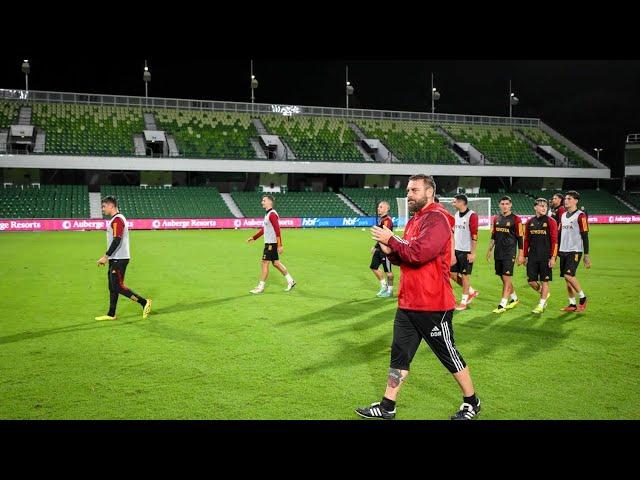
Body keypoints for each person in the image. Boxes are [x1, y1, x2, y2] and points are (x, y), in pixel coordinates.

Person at [355, 174, 481, 420]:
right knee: (399, 356)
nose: (409, 194)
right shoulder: (415, 220)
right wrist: (389, 250)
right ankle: (387, 405)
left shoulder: (439, 219)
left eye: (414, 190)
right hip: (408, 302)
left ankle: (472, 402)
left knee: (448, 354)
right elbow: (405, 256)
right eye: (408, 190)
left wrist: (392, 239)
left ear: (430, 192)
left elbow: (420, 253)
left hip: (433, 303)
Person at [95, 196, 152, 321]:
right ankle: (111, 314)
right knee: (112, 286)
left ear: (111, 206)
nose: (103, 209)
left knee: (118, 286)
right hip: (115, 258)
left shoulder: (117, 220)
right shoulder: (116, 220)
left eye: (104, 206)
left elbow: (117, 239)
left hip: (119, 259)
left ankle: (144, 303)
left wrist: (106, 256)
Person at [247, 194, 296, 294]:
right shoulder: (268, 214)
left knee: (264, 263)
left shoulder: (272, 214)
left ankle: (261, 287)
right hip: (271, 243)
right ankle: (291, 281)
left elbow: (278, 230)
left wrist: (280, 245)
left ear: (270, 202)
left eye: (264, 200)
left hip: (271, 244)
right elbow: (264, 229)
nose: (262, 202)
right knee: (276, 263)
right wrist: (254, 237)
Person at [519, 198, 558, 314]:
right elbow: (526, 241)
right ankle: (544, 294)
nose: (544, 208)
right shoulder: (530, 222)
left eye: (545, 206)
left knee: (544, 281)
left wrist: (553, 257)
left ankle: (541, 304)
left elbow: (555, 241)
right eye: (541, 206)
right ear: (535, 207)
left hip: (546, 256)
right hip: (532, 256)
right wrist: (524, 256)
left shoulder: (551, 221)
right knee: (531, 281)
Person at [486, 196, 524, 314]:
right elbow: (494, 236)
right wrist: (489, 250)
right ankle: (514, 298)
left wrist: (521, 254)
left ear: (510, 205)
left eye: (507, 203)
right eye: (502, 203)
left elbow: (520, 238)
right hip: (498, 252)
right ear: (499, 205)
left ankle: (502, 304)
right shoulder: (496, 218)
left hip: (509, 252)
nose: (504, 206)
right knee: (502, 276)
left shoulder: (516, 219)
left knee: (507, 277)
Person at [558, 190, 591, 312]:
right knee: (567, 279)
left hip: (575, 250)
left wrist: (586, 255)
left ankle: (583, 297)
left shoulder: (580, 215)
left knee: (568, 275)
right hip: (563, 250)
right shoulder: (563, 215)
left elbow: (585, 235)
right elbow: (561, 233)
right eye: (565, 198)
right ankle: (572, 304)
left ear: (576, 201)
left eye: (569, 198)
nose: (566, 200)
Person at [449, 194, 480, 310]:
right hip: (457, 250)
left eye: (454, 201)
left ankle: (463, 302)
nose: (453, 203)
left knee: (465, 276)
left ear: (461, 203)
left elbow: (474, 235)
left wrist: (473, 253)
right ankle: (471, 291)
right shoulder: (456, 215)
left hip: (467, 251)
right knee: (452, 274)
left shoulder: (472, 216)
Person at [369, 201, 394, 298]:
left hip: (386, 250)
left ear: (386, 208)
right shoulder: (381, 219)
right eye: (378, 207)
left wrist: (375, 247)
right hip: (380, 248)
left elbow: (384, 236)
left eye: (381, 207)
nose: (378, 208)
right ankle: (384, 286)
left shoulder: (387, 220)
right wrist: (376, 247)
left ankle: (390, 291)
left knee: (388, 272)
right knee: (373, 267)